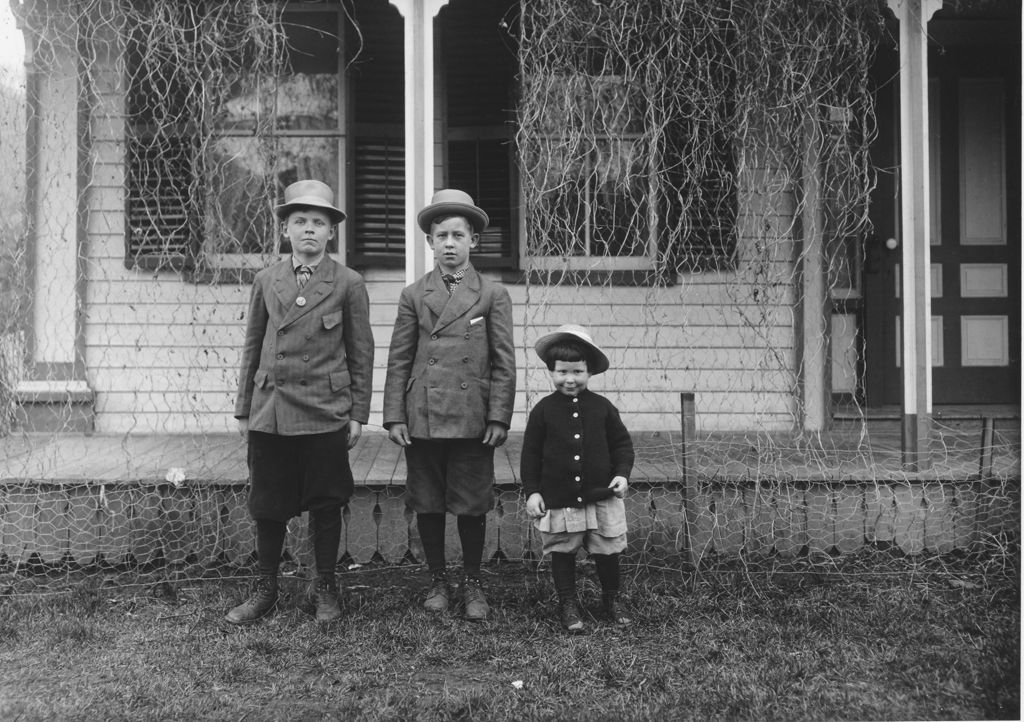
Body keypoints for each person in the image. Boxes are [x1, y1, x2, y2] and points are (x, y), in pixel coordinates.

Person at [227, 179, 374, 625]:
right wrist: (243, 407)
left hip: (325, 409)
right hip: (271, 409)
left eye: (318, 222)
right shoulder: (266, 280)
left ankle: (325, 585)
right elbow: (253, 345)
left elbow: (361, 351)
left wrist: (357, 414)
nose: (309, 229)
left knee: (327, 502)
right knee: (268, 503)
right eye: (300, 221)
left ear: (332, 232)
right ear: (285, 230)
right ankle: (266, 586)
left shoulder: (348, 282)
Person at [383, 188, 516, 622]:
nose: (450, 244)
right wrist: (393, 414)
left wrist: (498, 415)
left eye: (459, 235)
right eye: (441, 236)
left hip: (472, 415)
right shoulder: (414, 294)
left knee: (473, 501)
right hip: (423, 412)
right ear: (430, 243)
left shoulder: (492, 294)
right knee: (428, 500)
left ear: (474, 241)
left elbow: (503, 360)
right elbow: (399, 357)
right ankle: (437, 580)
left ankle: (473, 581)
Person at [521, 324, 635, 632]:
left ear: (589, 372)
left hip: (601, 496)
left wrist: (622, 476)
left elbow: (622, 446)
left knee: (607, 550)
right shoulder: (543, 411)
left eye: (577, 372)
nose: (569, 379)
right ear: (551, 371)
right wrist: (533, 492)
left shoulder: (603, 408)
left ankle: (612, 599)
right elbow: (530, 456)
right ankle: (568, 604)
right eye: (562, 372)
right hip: (560, 499)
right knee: (562, 550)